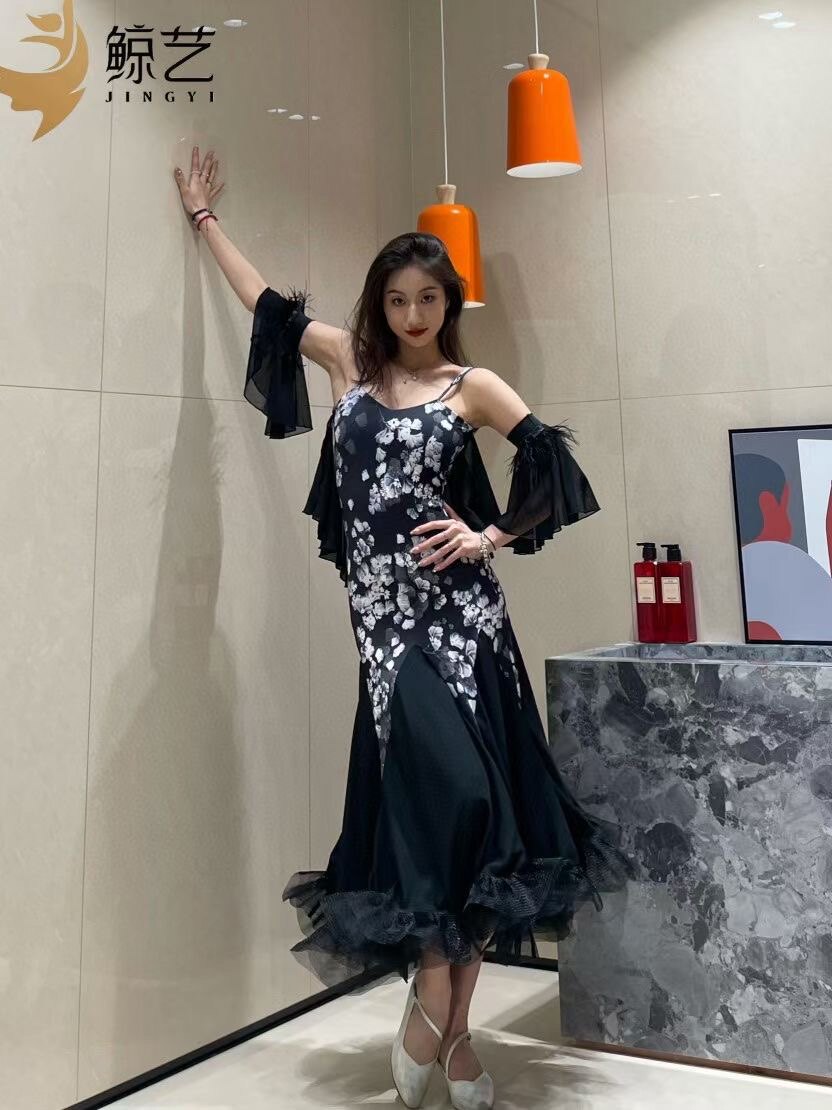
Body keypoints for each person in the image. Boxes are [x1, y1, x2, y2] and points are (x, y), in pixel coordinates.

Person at [175, 146, 636, 1110]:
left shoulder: (473, 384)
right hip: (384, 630)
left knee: (476, 808)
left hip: (464, 624)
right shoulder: (351, 364)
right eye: (397, 301)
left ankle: (445, 1022)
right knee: (442, 804)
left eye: (428, 300)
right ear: (379, 305)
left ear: (448, 303)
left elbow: (552, 464)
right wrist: (206, 222)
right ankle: (443, 1012)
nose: (413, 316)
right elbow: (268, 307)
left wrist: (489, 535)